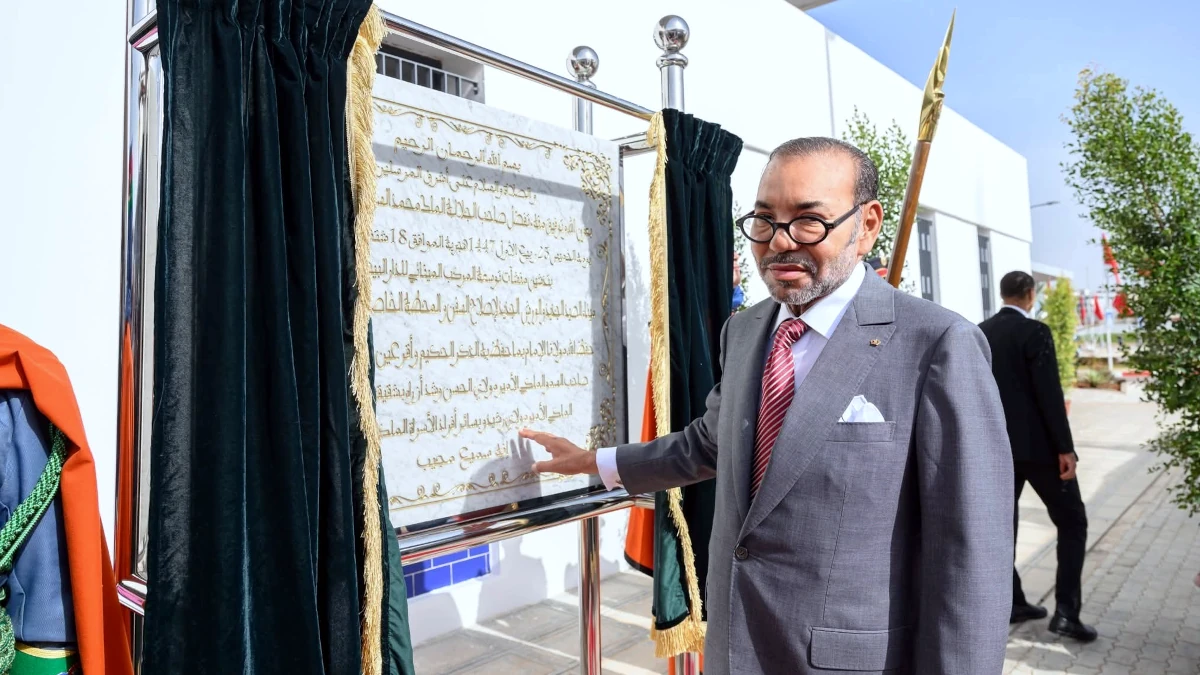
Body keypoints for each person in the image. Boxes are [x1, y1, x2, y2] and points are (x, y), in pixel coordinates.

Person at [521, 138, 1014, 675]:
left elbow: (972, 554)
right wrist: (597, 462)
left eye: (808, 221)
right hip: (735, 648)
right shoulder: (746, 329)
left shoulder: (937, 342)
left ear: (867, 224)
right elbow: (711, 442)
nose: (779, 244)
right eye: (764, 220)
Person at [979, 272, 1097, 642]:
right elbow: (1050, 395)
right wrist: (1066, 449)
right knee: (1073, 522)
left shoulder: (980, 332)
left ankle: (1012, 602)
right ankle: (1066, 614)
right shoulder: (1036, 333)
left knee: (1002, 528)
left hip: (997, 450)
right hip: (1043, 452)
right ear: (1030, 295)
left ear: (1003, 295)